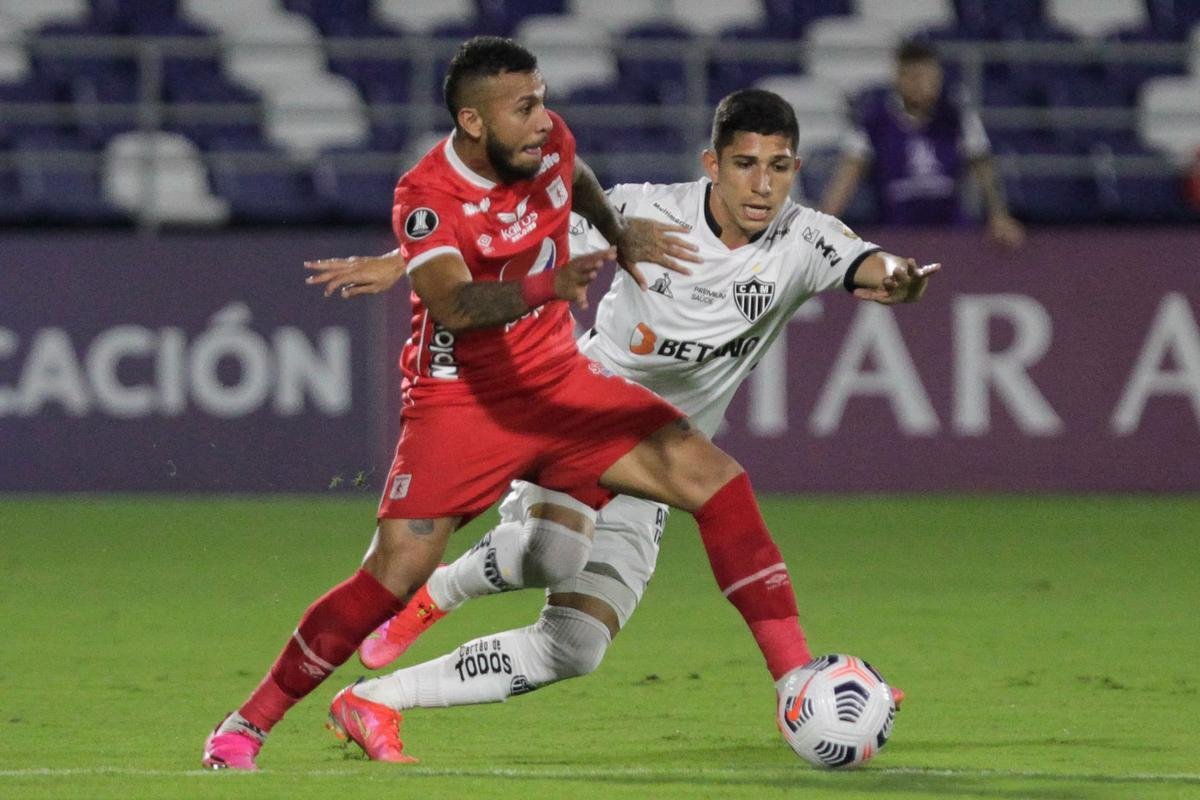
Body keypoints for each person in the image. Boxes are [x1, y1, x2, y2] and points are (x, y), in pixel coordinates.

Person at [199, 37, 872, 771]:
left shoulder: (548, 147)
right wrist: (543, 287)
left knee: (714, 481)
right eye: (525, 107)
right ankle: (247, 724)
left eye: (543, 99)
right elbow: (455, 304)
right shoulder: (424, 196)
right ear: (475, 121)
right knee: (392, 575)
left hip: (559, 381)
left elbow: (576, 178)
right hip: (465, 401)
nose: (544, 119)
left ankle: (796, 681)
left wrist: (618, 236)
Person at [819, 38, 1025, 248]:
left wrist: (999, 216)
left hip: (950, 230)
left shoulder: (956, 116)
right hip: (896, 232)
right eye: (917, 77)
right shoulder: (874, 121)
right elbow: (847, 174)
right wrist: (824, 222)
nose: (925, 85)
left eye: (931, 77)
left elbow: (983, 167)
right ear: (900, 77)